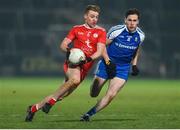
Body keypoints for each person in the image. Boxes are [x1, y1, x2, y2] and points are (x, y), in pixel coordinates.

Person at [25, 4, 106, 122]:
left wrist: (88, 59)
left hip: (85, 67)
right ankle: (51, 102)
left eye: (96, 17)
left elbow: (99, 52)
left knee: (61, 95)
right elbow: (63, 45)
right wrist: (70, 51)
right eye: (92, 16)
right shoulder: (76, 29)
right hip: (73, 63)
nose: (94, 19)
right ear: (85, 16)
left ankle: (33, 109)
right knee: (75, 80)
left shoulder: (101, 31)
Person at [80, 8, 145, 121]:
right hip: (107, 63)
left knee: (111, 95)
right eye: (129, 20)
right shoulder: (116, 30)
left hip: (123, 68)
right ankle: (95, 87)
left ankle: (88, 115)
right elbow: (102, 46)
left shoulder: (140, 35)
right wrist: (108, 62)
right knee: (94, 93)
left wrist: (134, 65)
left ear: (138, 22)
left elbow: (137, 49)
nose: (132, 23)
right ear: (125, 20)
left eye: (134, 20)